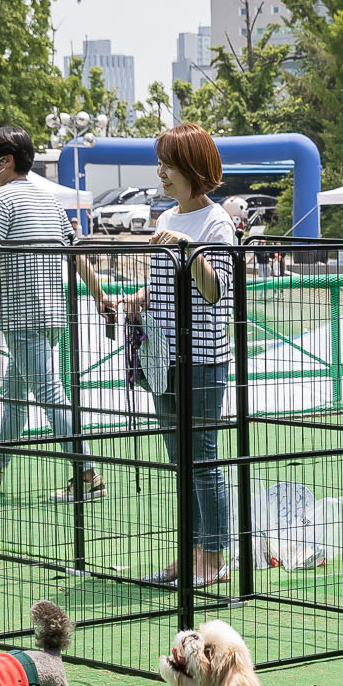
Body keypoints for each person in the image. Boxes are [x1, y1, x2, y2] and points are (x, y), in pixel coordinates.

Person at [0, 125, 118, 504]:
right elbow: (76, 253)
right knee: (15, 391)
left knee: (49, 393)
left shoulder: (1, 200)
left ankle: (88, 474)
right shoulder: (49, 201)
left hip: (20, 314)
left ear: (6, 161)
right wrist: (100, 294)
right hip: (51, 315)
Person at [122, 125, 240, 589]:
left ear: (193, 167)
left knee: (203, 458)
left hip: (204, 360)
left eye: (168, 164)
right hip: (162, 357)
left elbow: (216, 292)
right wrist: (137, 299)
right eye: (160, 163)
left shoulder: (216, 224)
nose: (161, 172)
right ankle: (189, 556)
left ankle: (213, 557)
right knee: (179, 461)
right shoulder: (166, 217)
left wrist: (187, 249)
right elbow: (168, 290)